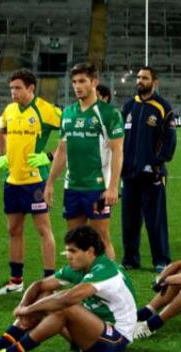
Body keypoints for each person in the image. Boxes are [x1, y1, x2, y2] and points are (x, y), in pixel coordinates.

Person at [0, 225, 136, 352]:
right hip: (91, 332)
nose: (68, 256)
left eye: (73, 251)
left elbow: (67, 300)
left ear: (90, 252)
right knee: (47, 294)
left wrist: (29, 309)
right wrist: (24, 307)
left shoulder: (105, 270)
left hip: (116, 339)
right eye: (67, 251)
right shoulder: (82, 267)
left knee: (65, 306)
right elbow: (39, 285)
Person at [0, 69, 61, 296]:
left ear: (31, 88)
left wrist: (48, 156)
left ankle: (49, 283)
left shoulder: (46, 110)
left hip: (35, 180)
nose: (13, 93)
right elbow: (1, 133)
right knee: (14, 229)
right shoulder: (9, 110)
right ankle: (15, 282)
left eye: (18, 88)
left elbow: (69, 133)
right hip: (12, 180)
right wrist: (0, 155)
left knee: (43, 229)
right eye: (11, 88)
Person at [45, 62, 124, 260]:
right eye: (74, 82)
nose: (77, 86)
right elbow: (62, 150)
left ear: (94, 82)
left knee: (100, 238)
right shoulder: (68, 113)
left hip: (97, 187)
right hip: (72, 186)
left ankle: (110, 284)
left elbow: (117, 151)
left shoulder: (109, 114)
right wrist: (50, 183)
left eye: (82, 81)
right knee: (76, 240)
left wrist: (113, 186)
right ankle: (82, 283)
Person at [120, 66, 177, 273]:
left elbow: (170, 140)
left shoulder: (163, 107)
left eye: (144, 78)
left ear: (155, 82)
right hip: (129, 174)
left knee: (155, 221)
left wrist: (157, 163)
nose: (140, 81)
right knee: (129, 221)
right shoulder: (128, 107)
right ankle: (130, 259)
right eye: (138, 78)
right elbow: (120, 142)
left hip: (152, 174)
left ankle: (161, 260)